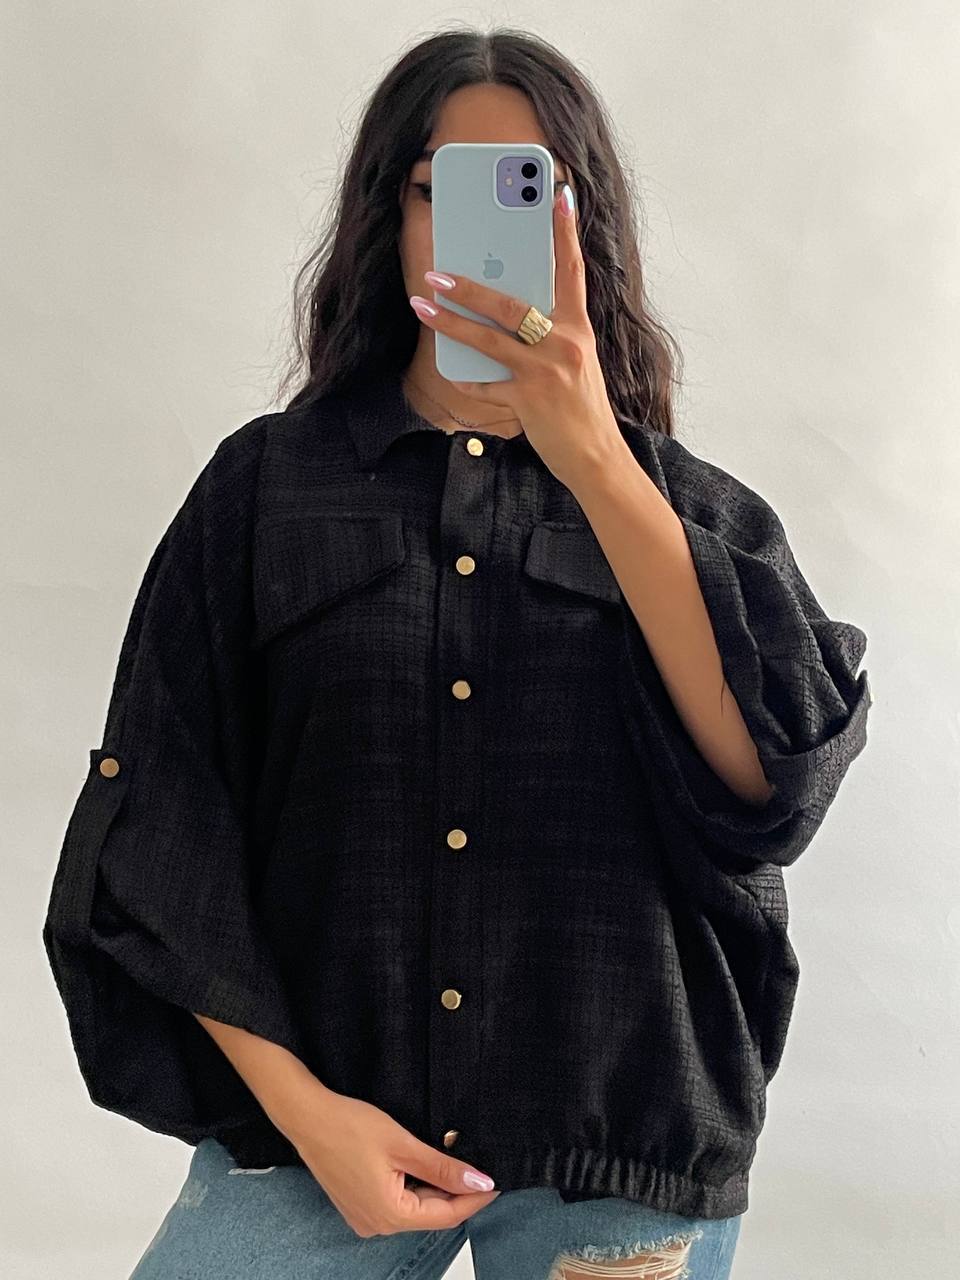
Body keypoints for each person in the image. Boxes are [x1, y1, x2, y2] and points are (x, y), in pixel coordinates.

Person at [42, 27, 871, 1280]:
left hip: (616, 1147)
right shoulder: (266, 490)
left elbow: (773, 785)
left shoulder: (686, 511)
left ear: (585, 226)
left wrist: (595, 456)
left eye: (533, 190)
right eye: (449, 188)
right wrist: (307, 1117)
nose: (487, 228)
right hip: (324, 1132)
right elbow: (162, 822)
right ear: (393, 213)